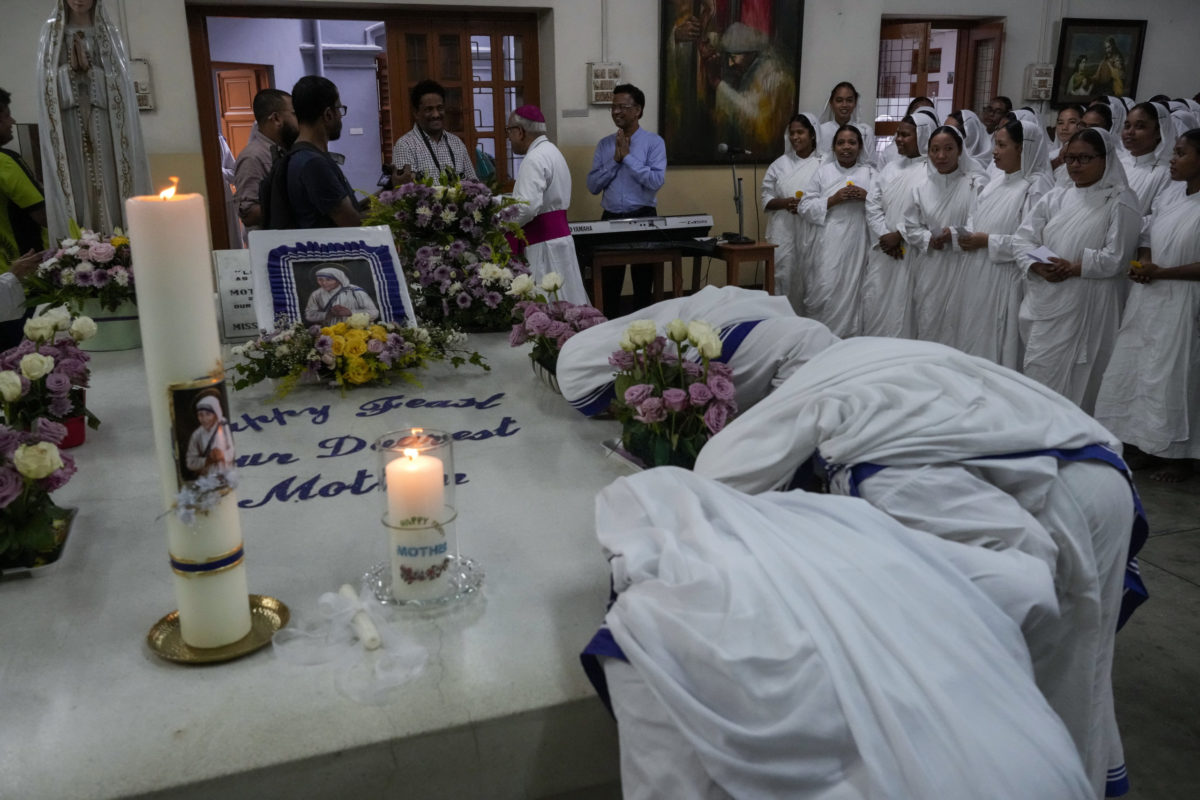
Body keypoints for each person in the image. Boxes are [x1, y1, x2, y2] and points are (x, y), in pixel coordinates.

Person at [693, 336, 1148, 799]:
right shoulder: (830, 381)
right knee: (1082, 670)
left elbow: (1022, 580)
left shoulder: (870, 466)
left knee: (1048, 686)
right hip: (1072, 453)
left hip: (1068, 500)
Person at [585, 468, 1095, 800]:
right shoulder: (851, 526)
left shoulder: (654, 619)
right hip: (1038, 765)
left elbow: (664, 783)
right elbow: (1028, 586)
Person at [556, 285, 838, 418]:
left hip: (835, 367)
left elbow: (806, 342)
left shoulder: (698, 353)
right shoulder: (676, 331)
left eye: (610, 409)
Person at [1095, 128, 1200, 483]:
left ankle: (1177, 455)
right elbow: (1146, 232)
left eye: (1182, 153)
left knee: (1174, 375)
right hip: (1150, 293)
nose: (1173, 158)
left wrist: (1164, 271)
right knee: (1138, 369)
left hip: (1185, 300)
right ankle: (1141, 443)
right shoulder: (1172, 194)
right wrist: (1144, 261)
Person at [1014, 128, 1140, 414]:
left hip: (1090, 300)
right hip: (1048, 295)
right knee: (1040, 367)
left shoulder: (1119, 200)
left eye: (1084, 158)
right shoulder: (1056, 197)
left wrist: (1075, 268)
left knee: (1082, 374)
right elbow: (1024, 238)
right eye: (1070, 158)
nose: (1075, 165)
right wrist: (1041, 263)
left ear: (1105, 159)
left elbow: (1118, 258)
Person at [35, 0, 151, 241]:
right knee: (77, 184)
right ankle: (78, 246)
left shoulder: (109, 33)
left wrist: (91, 72)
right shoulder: (51, 34)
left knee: (108, 181)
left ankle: (117, 239)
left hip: (106, 126)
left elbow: (121, 88)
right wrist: (68, 74)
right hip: (68, 126)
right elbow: (46, 89)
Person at [954, 119, 1053, 368]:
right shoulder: (998, 180)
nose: (995, 151)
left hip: (1008, 278)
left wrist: (988, 241)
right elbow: (976, 214)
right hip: (978, 272)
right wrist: (970, 234)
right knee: (973, 336)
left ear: (1023, 148)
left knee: (1000, 342)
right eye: (994, 144)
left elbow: (1036, 244)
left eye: (1002, 145)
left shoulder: (1036, 186)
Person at [901, 125, 988, 346]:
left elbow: (979, 221)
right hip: (931, 266)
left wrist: (955, 234)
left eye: (948, 148)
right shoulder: (920, 188)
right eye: (935, 149)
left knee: (960, 322)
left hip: (964, 265)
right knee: (929, 318)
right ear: (928, 152)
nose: (941, 156)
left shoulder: (974, 185)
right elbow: (910, 226)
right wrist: (929, 238)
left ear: (960, 150)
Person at [586, 84, 667, 315]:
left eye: (623, 106)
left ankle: (642, 336)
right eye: (613, 107)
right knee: (609, 283)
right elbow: (592, 186)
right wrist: (615, 161)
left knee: (643, 282)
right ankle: (608, 330)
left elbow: (655, 181)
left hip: (643, 217)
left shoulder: (654, 143)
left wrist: (629, 159)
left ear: (638, 110)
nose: (616, 112)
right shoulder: (605, 144)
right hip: (610, 218)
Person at [861, 109, 937, 338]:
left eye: (906, 135)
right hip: (884, 251)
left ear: (922, 137)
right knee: (876, 304)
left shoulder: (932, 172)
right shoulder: (891, 167)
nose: (899, 140)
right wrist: (885, 234)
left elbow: (930, 211)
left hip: (913, 253)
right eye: (898, 134)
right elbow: (872, 204)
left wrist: (900, 235)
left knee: (907, 311)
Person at [504, 105, 587, 304]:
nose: (508, 138)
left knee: (547, 303)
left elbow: (527, 207)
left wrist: (500, 223)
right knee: (567, 299)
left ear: (520, 132)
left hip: (542, 244)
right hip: (559, 239)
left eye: (509, 132)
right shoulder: (552, 152)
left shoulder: (534, 158)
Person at [799, 123, 874, 336]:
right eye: (841, 142)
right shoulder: (823, 173)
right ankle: (821, 341)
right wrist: (832, 199)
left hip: (858, 243)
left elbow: (884, 206)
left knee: (855, 294)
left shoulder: (870, 173)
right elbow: (804, 206)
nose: (846, 147)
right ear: (833, 147)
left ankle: (849, 345)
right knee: (825, 287)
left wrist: (866, 196)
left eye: (852, 142)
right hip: (828, 243)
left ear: (860, 147)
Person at [265, 75, 361, 230]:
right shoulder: (313, 163)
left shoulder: (300, 156)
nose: (341, 117)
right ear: (328, 114)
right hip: (329, 252)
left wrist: (389, 192)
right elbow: (352, 222)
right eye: (339, 109)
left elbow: (345, 208)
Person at [759, 113, 826, 311]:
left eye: (801, 132)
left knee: (809, 277)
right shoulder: (780, 164)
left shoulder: (825, 163)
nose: (795, 137)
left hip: (813, 230)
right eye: (792, 133)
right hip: (783, 230)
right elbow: (765, 198)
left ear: (812, 135)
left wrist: (808, 206)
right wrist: (785, 203)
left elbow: (830, 196)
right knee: (782, 274)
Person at [0, 89, 46, 347]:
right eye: (6, 116)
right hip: (18, 278)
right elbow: (44, 216)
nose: (12, 122)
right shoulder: (5, 161)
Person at [709, 22, 795, 154]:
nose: (730, 64)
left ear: (750, 54)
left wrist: (720, 86)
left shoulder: (771, 74)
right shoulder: (753, 69)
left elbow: (754, 119)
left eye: (734, 57)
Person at [233, 89, 298, 238]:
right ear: (276, 119)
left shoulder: (288, 150)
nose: (299, 121)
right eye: (294, 114)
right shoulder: (253, 157)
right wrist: (300, 206)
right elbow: (248, 213)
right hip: (271, 249)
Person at [391, 80, 477, 185]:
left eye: (440, 108)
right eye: (429, 109)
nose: (436, 115)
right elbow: (406, 192)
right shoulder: (405, 145)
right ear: (416, 113)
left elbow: (474, 183)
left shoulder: (456, 143)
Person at [1120, 101, 1174, 215]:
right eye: (1127, 126)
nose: (1130, 132)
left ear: (1159, 132)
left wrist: (1119, 226)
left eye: (1140, 126)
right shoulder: (1118, 163)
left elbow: (1157, 218)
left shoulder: (1166, 172)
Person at [817, 81, 875, 164]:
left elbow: (872, 164)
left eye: (849, 100)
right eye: (839, 100)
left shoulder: (865, 131)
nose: (844, 105)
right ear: (831, 103)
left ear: (855, 103)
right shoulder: (820, 131)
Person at [303, 264, 379, 325]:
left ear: (339, 279)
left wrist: (350, 312)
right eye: (320, 280)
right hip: (328, 334)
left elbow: (374, 313)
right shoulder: (316, 294)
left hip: (356, 332)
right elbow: (309, 315)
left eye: (328, 280)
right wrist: (328, 314)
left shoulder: (356, 292)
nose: (324, 283)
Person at [185, 395, 235, 480]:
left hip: (228, 475)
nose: (204, 419)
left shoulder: (223, 425)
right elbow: (190, 462)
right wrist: (207, 460)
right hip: (208, 479)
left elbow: (232, 451)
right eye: (200, 415)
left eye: (208, 414)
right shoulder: (196, 435)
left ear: (216, 414)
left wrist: (222, 455)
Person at [1050, 104, 1085, 180]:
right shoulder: (1051, 156)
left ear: (1082, 125)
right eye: (1060, 123)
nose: (1064, 128)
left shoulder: (1087, 157)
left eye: (1072, 122)